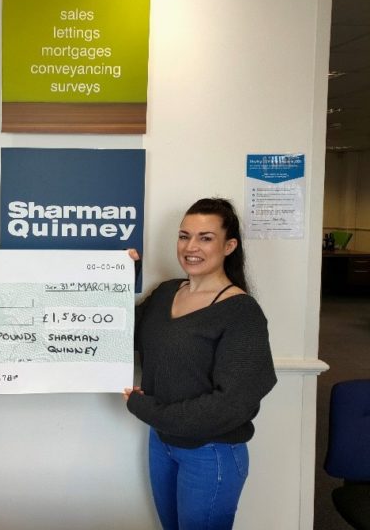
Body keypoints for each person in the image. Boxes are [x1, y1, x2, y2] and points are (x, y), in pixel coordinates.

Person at [123, 198, 277, 530]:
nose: (191, 247)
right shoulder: (165, 294)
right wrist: (118, 280)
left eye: (205, 238)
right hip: (162, 443)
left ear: (229, 245)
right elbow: (118, 333)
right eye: (184, 235)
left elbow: (231, 404)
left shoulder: (241, 313)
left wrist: (146, 409)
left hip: (211, 453)